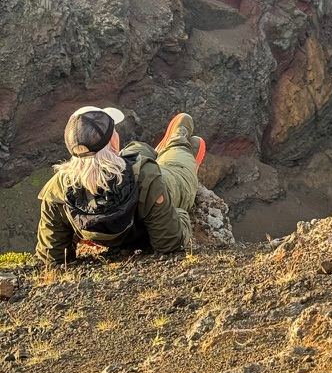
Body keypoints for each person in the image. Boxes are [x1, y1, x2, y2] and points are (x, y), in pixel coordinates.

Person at [36, 107, 206, 266]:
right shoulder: (146, 176)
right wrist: (180, 215)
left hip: (120, 167)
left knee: (134, 150)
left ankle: (149, 150)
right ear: (112, 142)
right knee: (178, 165)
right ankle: (179, 141)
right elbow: (169, 242)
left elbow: (52, 257)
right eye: (114, 131)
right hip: (163, 181)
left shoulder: (56, 190)